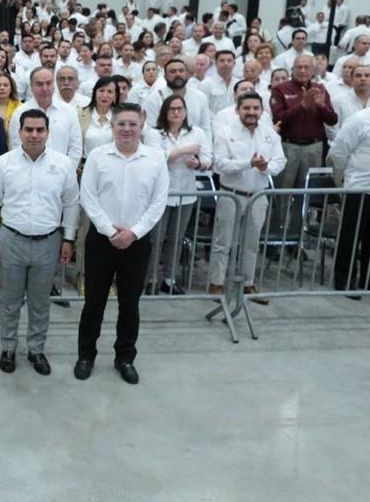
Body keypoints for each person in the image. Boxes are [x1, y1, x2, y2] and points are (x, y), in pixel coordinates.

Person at [75, 103, 169, 384]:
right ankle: (86, 355)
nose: (127, 129)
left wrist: (134, 233)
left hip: (137, 243)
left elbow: (158, 201)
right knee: (94, 303)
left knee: (130, 304)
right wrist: (108, 229)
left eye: (133, 124)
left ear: (142, 127)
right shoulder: (97, 156)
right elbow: (88, 196)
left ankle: (125, 357)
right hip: (101, 241)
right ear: (112, 126)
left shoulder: (155, 159)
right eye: (121, 124)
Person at [0, 108, 80, 375]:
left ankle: (36, 349)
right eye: (29, 130)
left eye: (40, 130)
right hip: (12, 238)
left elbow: (71, 203)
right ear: (20, 132)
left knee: (40, 302)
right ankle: (8, 347)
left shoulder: (62, 165)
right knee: (10, 301)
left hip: (48, 241)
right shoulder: (3, 163)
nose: (34, 135)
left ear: (48, 132)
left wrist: (68, 239)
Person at [210, 93, 286, 304]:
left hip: (258, 195)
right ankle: (217, 283)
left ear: (261, 111)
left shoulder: (270, 133)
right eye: (247, 108)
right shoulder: (225, 133)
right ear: (238, 109)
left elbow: (280, 161)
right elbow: (220, 165)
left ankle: (247, 282)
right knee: (223, 241)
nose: (251, 112)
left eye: (256, 108)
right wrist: (248, 164)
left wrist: (266, 167)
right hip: (231, 194)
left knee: (252, 243)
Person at [328, 77, 370, 296]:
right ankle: (344, 280)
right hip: (360, 188)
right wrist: (348, 178)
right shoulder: (360, 120)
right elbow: (338, 153)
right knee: (351, 236)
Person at [143, 94, 213, 294]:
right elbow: (155, 159)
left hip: (185, 194)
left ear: (186, 112)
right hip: (160, 196)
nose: (176, 112)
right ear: (165, 112)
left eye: (179, 109)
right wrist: (184, 151)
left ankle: (169, 278)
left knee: (176, 238)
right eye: (172, 109)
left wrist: (199, 163)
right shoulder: (154, 134)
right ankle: (151, 279)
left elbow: (207, 157)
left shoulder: (197, 132)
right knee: (156, 239)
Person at [270, 53, 337, 238]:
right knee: (281, 194)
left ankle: (296, 237)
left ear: (313, 70)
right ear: (292, 69)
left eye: (307, 67)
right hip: (287, 146)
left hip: (313, 148)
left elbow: (332, 120)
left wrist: (321, 106)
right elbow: (278, 119)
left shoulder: (320, 88)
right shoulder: (280, 89)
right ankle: (276, 237)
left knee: (305, 195)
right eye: (299, 67)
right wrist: (302, 106)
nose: (303, 70)